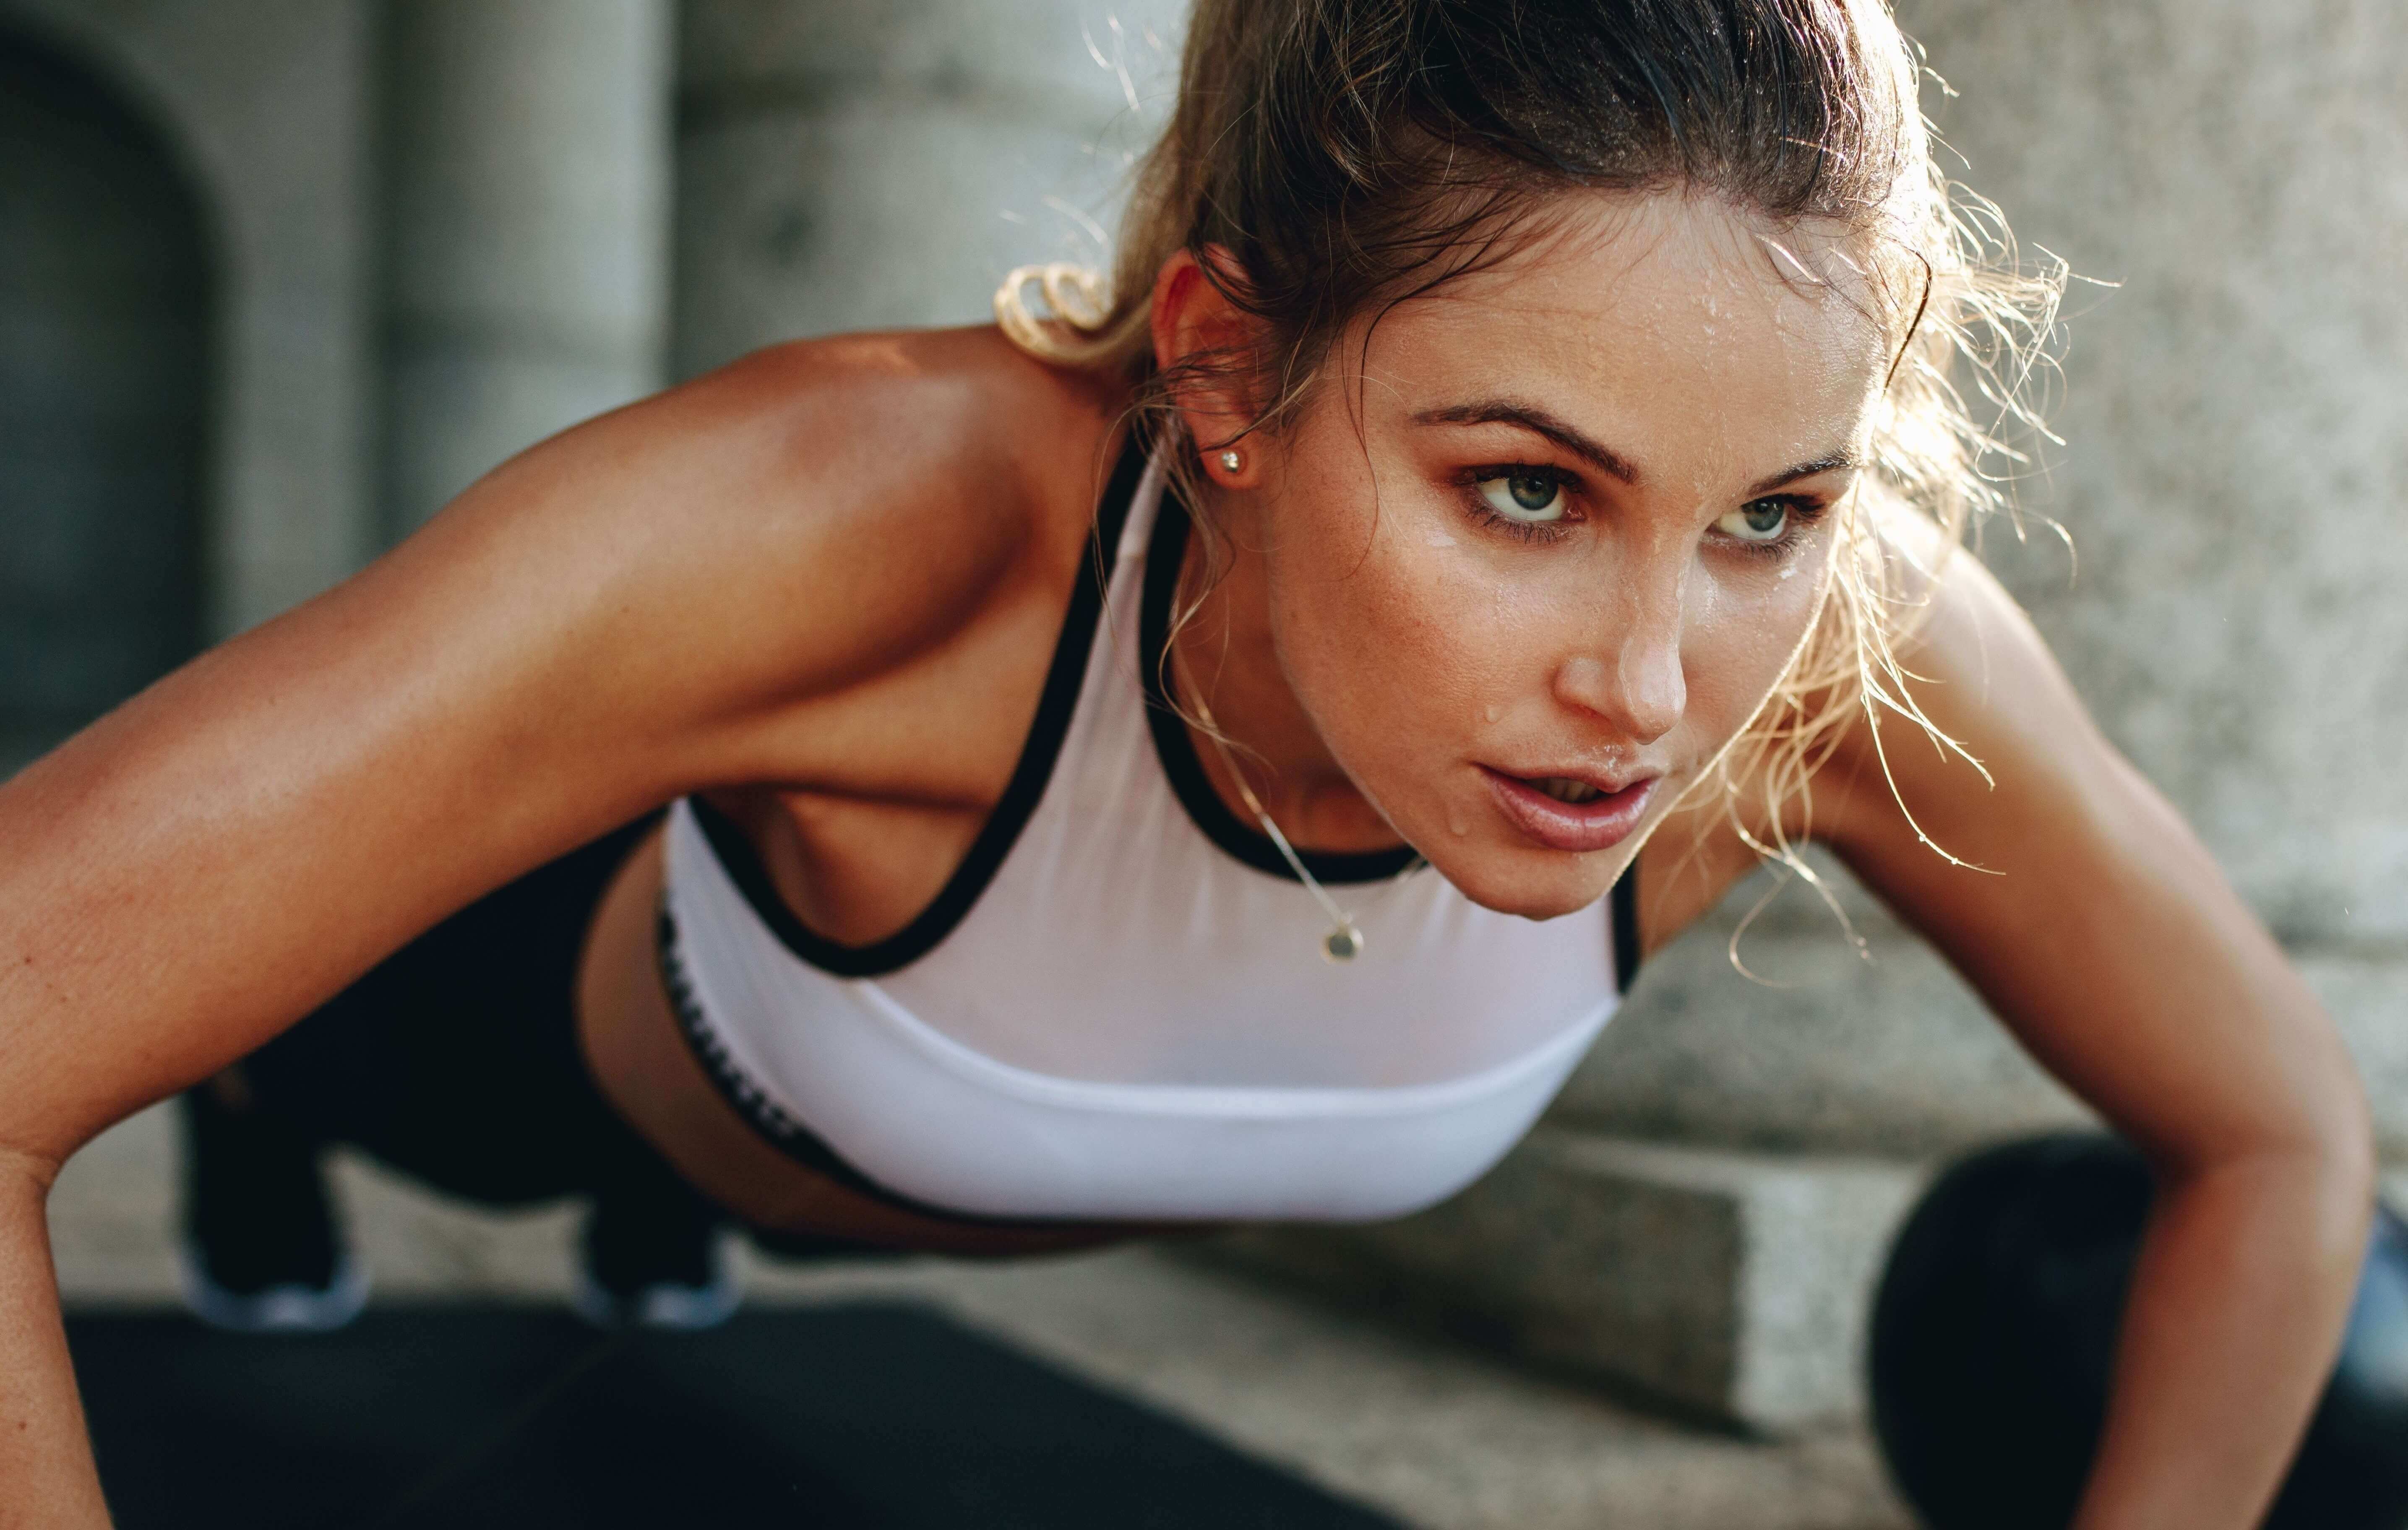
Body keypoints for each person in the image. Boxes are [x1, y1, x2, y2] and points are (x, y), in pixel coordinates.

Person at [0, 0, 2374, 1524]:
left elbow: (2277, 1140)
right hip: (587, 1028)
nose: (1654, 690)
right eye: (1525, 490)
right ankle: (274, 1106)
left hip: (887, 1092)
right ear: (1227, 373)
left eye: (1770, 510)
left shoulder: (1850, 662)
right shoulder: (860, 526)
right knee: (362, 1074)